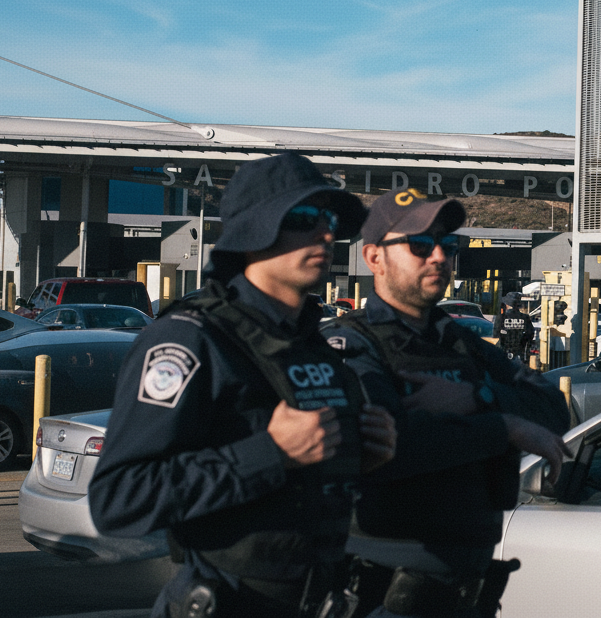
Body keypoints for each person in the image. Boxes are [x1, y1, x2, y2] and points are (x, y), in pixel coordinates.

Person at [88, 152, 398, 618]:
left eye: (330, 217)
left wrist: (363, 458)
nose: (326, 233)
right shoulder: (189, 341)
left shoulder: (312, 344)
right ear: (253, 232)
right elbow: (118, 499)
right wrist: (269, 453)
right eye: (303, 217)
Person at [324, 189, 569, 617]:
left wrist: (477, 398)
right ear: (373, 258)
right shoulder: (351, 344)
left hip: (465, 590)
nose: (439, 256)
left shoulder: (464, 345)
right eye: (420, 245)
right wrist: (503, 428)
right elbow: (388, 448)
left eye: (447, 245)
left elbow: (552, 410)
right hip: (383, 590)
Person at [494, 295, 535, 361]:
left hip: (503, 353)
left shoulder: (501, 318)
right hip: (520, 353)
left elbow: (495, 335)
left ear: (507, 305)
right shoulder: (525, 318)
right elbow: (530, 334)